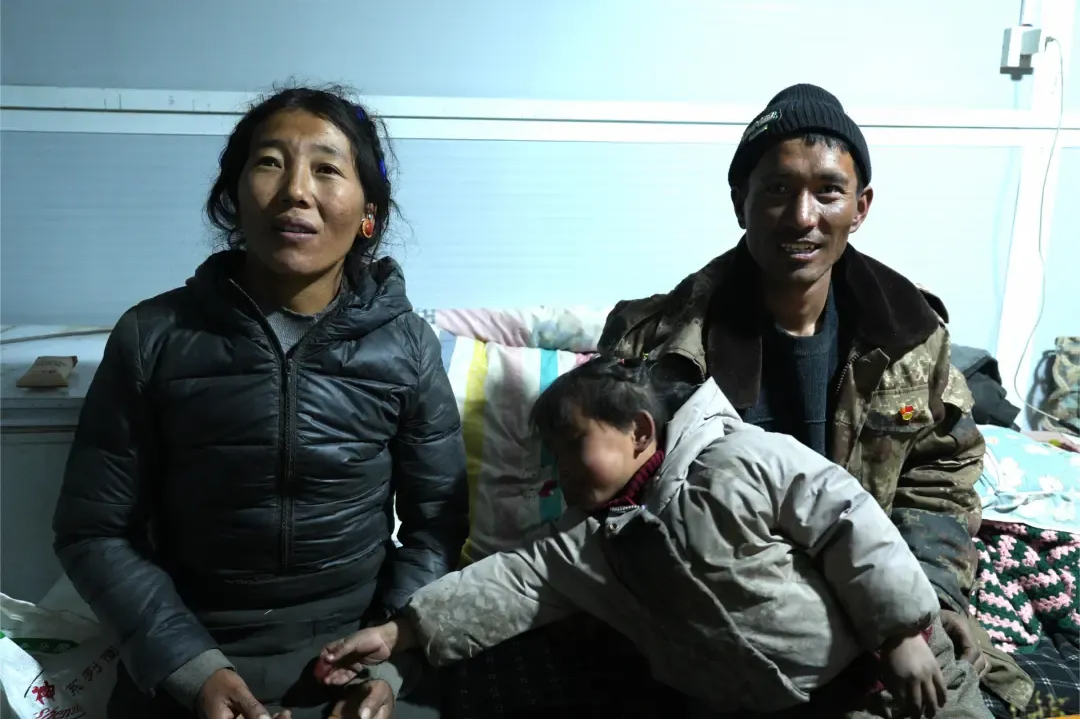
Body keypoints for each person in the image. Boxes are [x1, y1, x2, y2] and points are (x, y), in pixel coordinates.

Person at [595, 84, 1033, 714]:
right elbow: (602, 502)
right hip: (714, 614)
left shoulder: (909, 335)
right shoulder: (651, 347)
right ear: (740, 202)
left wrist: (929, 596)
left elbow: (939, 479)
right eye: (777, 189)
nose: (803, 217)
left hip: (875, 594)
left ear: (860, 207)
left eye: (828, 191)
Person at [52, 86, 468, 719]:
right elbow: (94, 530)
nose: (296, 190)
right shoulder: (152, 337)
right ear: (233, 199)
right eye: (270, 162)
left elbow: (435, 528)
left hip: (359, 652)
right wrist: (191, 671)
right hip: (183, 647)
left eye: (327, 169)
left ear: (368, 215)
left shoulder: (407, 347)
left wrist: (390, 659)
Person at [316, 356, 990, 718]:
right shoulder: (589, 543)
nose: (559, 471)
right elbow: (510, 582)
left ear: (640, 431)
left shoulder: (739, 459)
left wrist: (901, 633)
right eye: (550, 456)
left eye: (572, 446)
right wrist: (399, 633)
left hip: (882, 666)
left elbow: (849, 519)